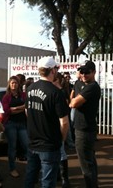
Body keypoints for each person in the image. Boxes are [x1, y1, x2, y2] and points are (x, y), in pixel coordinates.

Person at [25, 57, 69, 188]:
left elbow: (27, 112)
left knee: (30, 176)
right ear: (53, 71)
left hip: (33, 141)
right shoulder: (56, 92)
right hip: (49, 144)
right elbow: (64, 122)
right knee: (48, 181)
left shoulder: (30, 88)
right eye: (56, 68)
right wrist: (61, 139)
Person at [70, 60, 101, 188]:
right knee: (90, 161)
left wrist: (74, 101)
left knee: (86, 165)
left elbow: (73, 103)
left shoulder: (92, 87)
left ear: (94, 72)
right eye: (82, 72)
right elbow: (72, 96)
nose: (84, 75)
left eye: (87, 72)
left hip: (85, 130)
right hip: (81, 128)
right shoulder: (79, 83)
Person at [1, 76, 29, 178]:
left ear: (18, 84)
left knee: (27, 145)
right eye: (12, 83)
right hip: (10, 124)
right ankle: (12, 169)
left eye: (16, 83)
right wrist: (21, 108)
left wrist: (16, 108)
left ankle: (31, 168)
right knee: (12, 147)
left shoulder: (23, 95)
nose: (14, 85)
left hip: (22, 124)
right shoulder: (6, 97)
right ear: (9, 84)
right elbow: (7, 110)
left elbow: (27, 105)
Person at [53, 72, 71, 188]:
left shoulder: (61, 92)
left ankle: (65, 178)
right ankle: (58, 176)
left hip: (59, 125)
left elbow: (65, 114)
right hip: (51, 125)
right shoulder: (52, 92)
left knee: (61, 152)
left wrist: (63, 136)